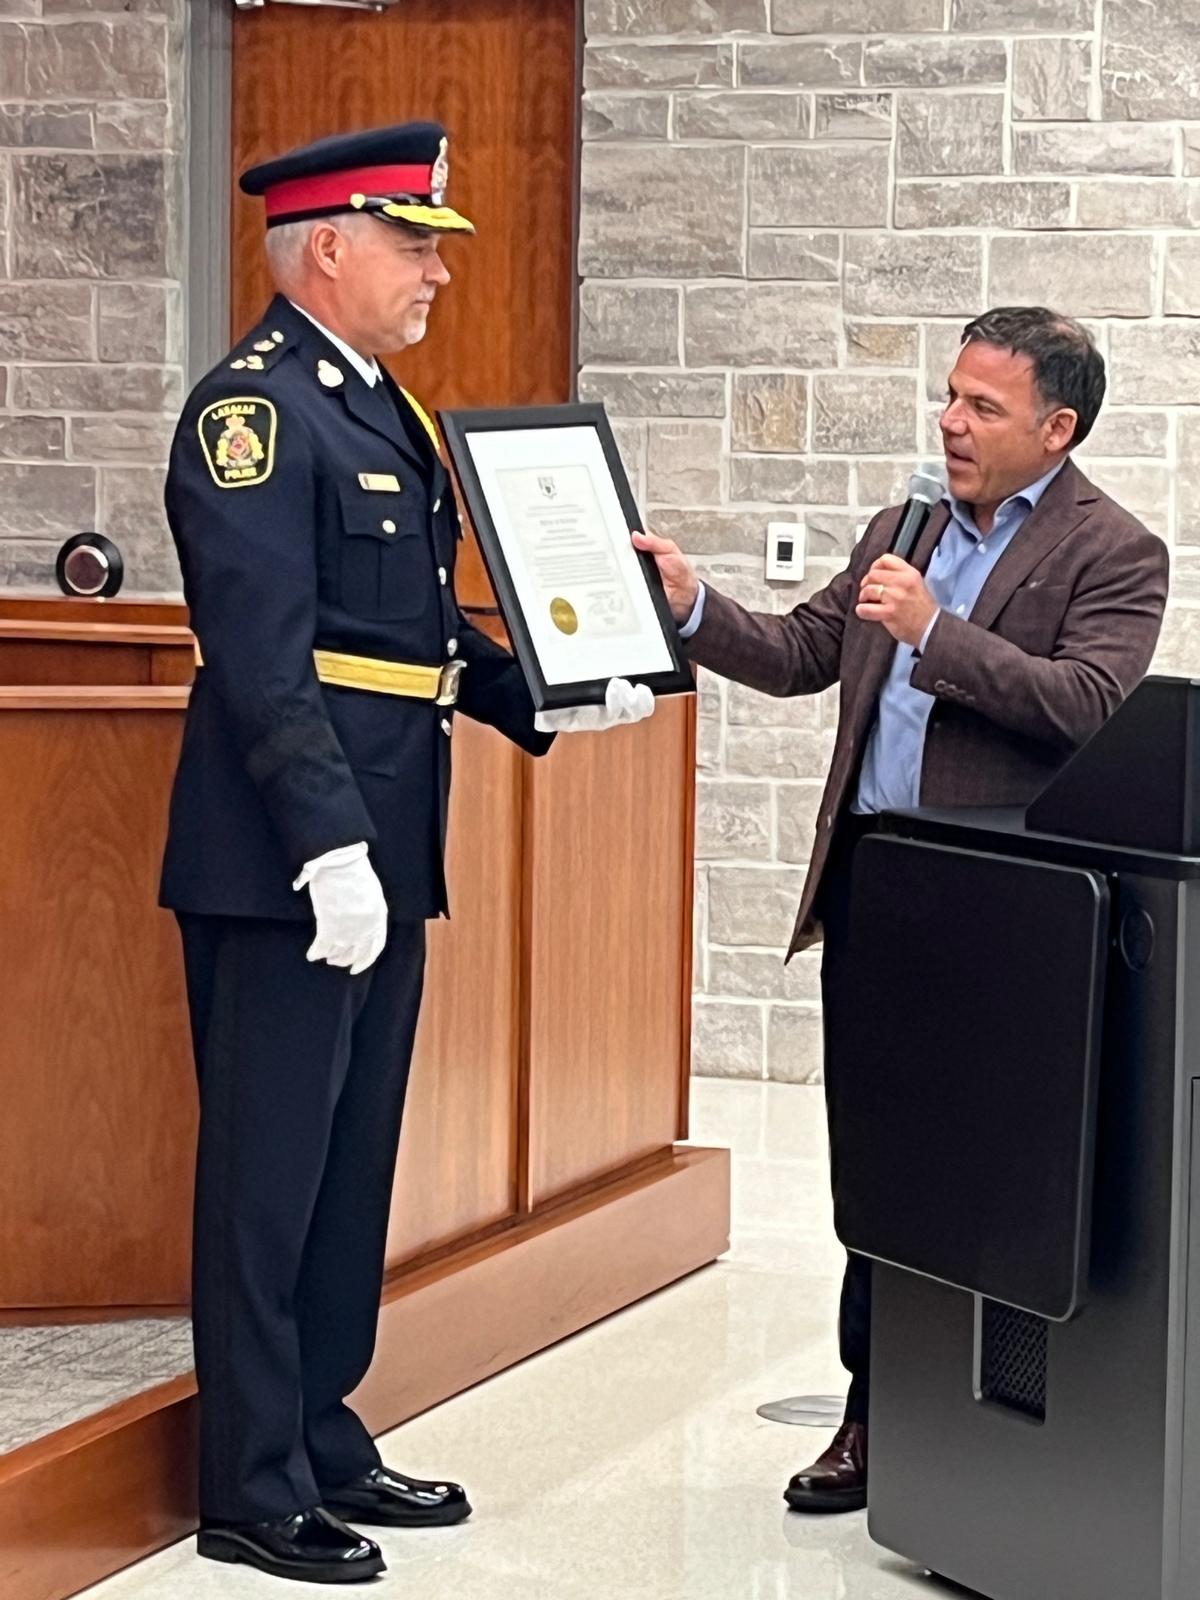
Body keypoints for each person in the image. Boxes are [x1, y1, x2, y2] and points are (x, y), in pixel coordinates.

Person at [160, 121, 654, 1585]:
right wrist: (327, 851)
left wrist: (556, 693)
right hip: (286, 865)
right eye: (410, 241)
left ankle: (319, 1428)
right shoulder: (250, 415)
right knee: (266, 1177)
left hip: (385, 843)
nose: (435, 270)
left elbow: (417, 642)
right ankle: (248, 1485)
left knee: (349, 1163)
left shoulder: (384, 410)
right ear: (327, 247)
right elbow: (263, 659)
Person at [635, 306, 1169, 1516]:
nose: (951, 422)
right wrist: (690, 601)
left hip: (1001, 909)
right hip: (879, 888)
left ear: (1058, 426)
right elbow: (799, 650)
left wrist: (939, 632)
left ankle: (995, 1418)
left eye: (984, 406)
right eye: (949, 396)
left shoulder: (1114, 552)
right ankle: (870, 1414)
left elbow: (1088, 705)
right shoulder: (908, 523)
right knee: (872, 1166)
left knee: (980, 1173)